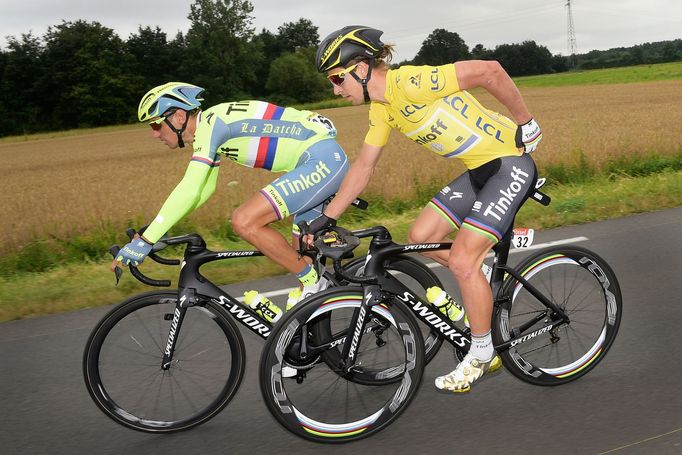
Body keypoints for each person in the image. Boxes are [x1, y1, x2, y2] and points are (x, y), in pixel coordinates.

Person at [311, 26, 542, 392]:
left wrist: (525, 122)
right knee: (421, 238)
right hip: (478, 171)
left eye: (337, 78)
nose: (335, 89)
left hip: (510, 163)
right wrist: (328, 217)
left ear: (361, 68)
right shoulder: (382, 110)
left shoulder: (412, 82)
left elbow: (490, 71)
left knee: (464, 262)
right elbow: (364, 167)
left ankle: (483, 353)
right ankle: (478, 272)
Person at [112, 82, 349, 317]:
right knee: (301, 270)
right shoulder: (210, 127)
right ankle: (314, 339)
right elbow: (204, 190)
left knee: (244, 221)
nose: (154, 134)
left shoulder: (211, 126)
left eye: (155, 124)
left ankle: (314, 283)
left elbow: (191, 187)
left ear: (178, 117)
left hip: (321, 161)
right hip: (318, 160)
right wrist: (156, 230)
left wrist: (146, 240)